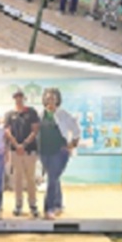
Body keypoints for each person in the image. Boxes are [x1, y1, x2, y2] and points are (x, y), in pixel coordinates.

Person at [38, 87, 80, 220]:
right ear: (44, 99)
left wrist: (72, 145)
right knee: (54, 178)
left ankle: (49, 209)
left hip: (59, 153)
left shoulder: (63, 114)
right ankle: (58, 204)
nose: (50, 100)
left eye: (53, 98)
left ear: (57, 100)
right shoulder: (41, 115)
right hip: (44, 152)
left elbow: (76, 130)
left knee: (52, 179)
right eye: (48, 98)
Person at [4, 89, 40, 218]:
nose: (18, 99)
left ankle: (33, 205)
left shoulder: (31, 112)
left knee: (30, 179)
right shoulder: (10, 114)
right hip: (15, 152)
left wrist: (24, 145)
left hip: (30, 150)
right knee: (17, 179)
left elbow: (35, 130)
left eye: (20, 97)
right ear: (14, 99)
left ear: (24, 98)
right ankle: (18, 204)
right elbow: (7, 132)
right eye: (16, 97)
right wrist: (16, 145)